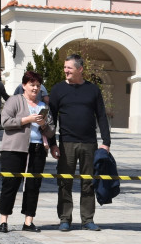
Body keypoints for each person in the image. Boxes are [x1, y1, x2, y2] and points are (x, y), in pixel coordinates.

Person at [48, 53, 111, 232]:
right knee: (64, 182)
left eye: (69, 68)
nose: (65, 70)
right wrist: (53, 143)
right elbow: (51, 118)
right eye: (65, 67)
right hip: (66, 143)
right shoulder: (58, 89)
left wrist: (106, 142)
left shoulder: (93, 90)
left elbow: (101, 116)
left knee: (88, 182)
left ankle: (87, 219)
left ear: (80, 69)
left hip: (89, 143)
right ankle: (65, 218)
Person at [0, 71, 55, 234]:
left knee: (33, 185)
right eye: (32, 85)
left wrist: (43, 125)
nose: (35, 88)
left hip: (37, 149)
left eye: (38, 85)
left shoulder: (44, 106)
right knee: (10, 184)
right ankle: (4, 220)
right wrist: (27, 120)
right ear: (24, 86)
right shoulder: (14, 101)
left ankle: (28, 221)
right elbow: (6, 122)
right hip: (14, 149)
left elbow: (51, 132)